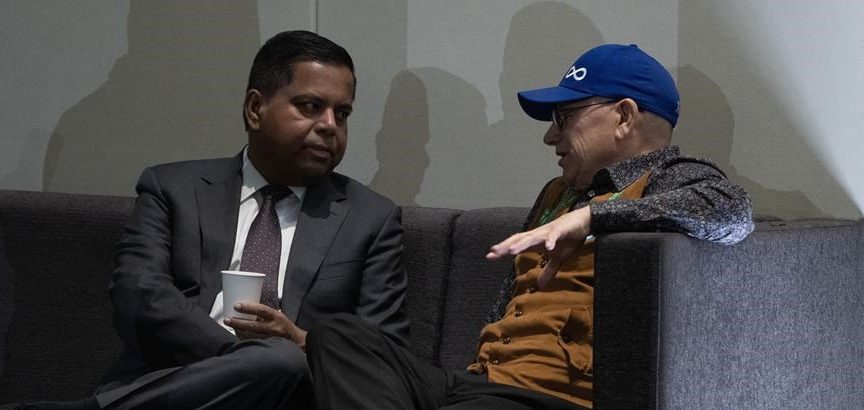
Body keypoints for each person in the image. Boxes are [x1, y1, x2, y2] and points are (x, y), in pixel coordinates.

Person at [304, 44, 754, 409]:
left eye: (564, 117)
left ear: (623, 116)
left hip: (550, 397)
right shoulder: (557, 193)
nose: (550, 137)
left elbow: (733, 213)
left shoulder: (671, 178)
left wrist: (594, 217)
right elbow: (510, 305)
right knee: (339, 335)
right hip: (479, 383)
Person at [2, 30, 408, 410]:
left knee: (282, 363)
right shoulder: (173, 188)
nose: (329, 126)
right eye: (310, 106)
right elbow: (138, 296)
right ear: (255, 108)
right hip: (179, 383)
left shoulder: (370, 218)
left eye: (343, 113)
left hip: (291, 395)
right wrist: (242, 356)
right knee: (273, 361)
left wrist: (298, 343)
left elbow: (383, 356)